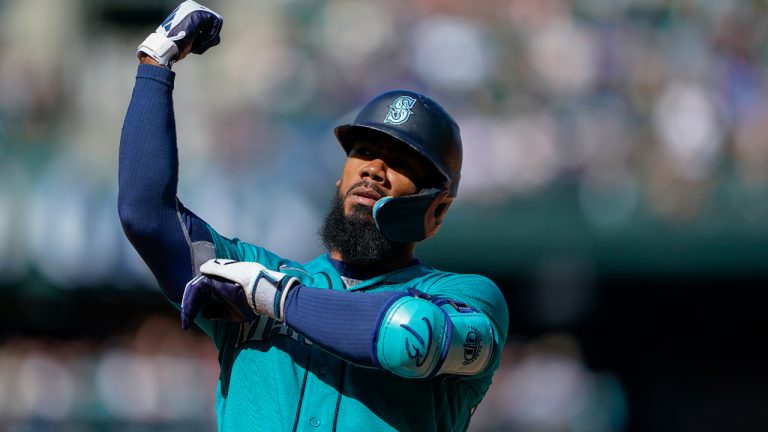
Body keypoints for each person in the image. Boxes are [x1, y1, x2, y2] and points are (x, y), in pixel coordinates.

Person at [118, 2, 509, 431]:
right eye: (362, 151)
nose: (372, 169)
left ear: (438, 210)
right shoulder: (254, 275)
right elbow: (146, 215)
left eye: (401, 162)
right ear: (340, 178)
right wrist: (155, 64)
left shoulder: (468, 296)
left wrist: (275, 298)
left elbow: (407, 336)